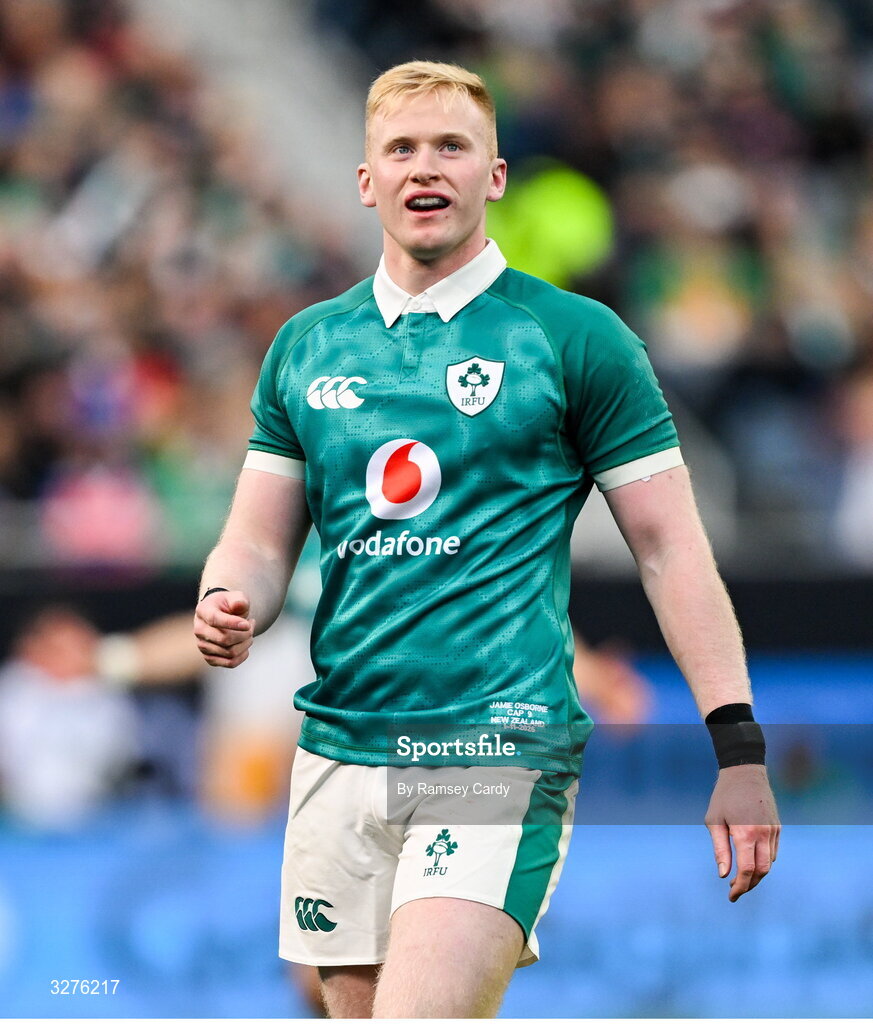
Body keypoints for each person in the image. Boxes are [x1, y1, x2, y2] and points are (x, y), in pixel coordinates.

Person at [193, 61, 780, 1019]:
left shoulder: (575, 339)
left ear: (493, 175)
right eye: (401, 149)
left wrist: (738, 748)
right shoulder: (306, 345)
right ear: (366, 180)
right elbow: (256, 544)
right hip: (339, 746)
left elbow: (671, 549)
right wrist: (228, 600)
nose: (426, 168)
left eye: (451, 147)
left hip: (493, 745)